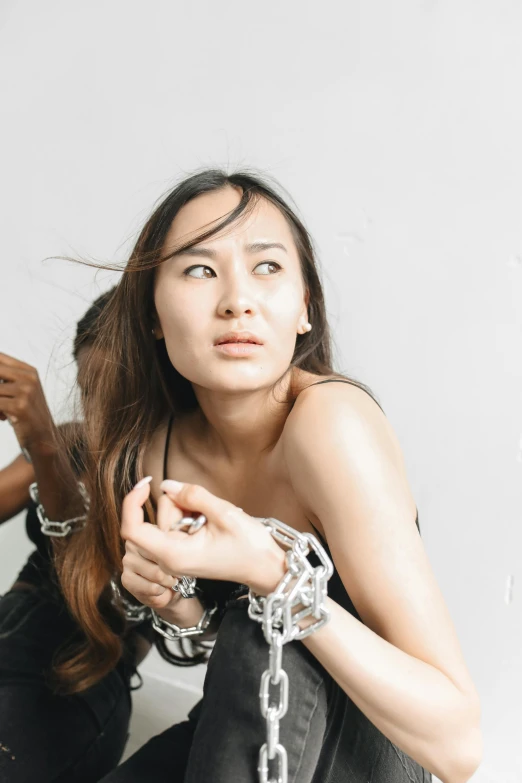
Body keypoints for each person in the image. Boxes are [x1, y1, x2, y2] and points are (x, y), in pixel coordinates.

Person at [58, 169, 482, 783]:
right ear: (152, 314)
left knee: (259, 638)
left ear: (304, 309)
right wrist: (178, 605)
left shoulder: (328, 427)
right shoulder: (158, 453)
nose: (237, 299)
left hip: (367, 751)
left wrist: (278, 578)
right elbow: (228, 664)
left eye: (267, 267)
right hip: (249, 728)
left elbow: (457, 743)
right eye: (199, 270)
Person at [0, 290, 153, 783]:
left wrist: (42, 443)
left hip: (86, 668)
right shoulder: (72, 439)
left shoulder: (175, 476)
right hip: (11, 622)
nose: (101, 411)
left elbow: (101, 590)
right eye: (89, 389)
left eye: (119, 389)